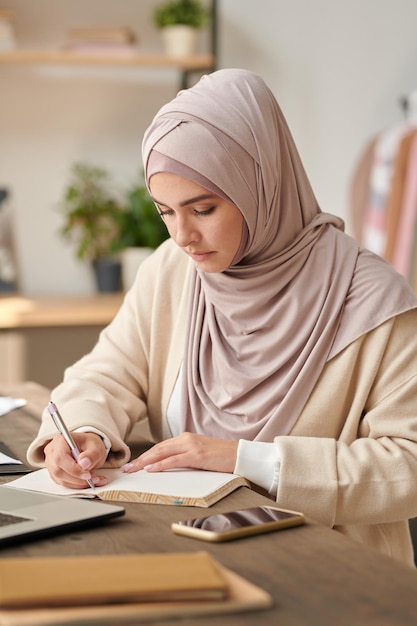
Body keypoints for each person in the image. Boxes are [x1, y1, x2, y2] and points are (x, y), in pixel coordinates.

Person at [27, 68, 417, 566]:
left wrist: (242, 460)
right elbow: (107, 371)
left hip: (332, 578)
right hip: (181, 558)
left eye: (203, 209)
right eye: (165, 211)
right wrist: (85, 431)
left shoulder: (374, 300)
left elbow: (407, 464)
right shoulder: (172, 272)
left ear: (263, 185)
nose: (182, 235)